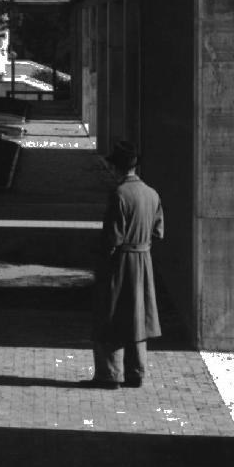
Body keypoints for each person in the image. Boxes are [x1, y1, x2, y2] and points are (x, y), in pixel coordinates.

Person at [90, 138, 164, 388]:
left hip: (121, 261)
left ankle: (109, 374)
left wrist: (100, 262)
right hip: (143, 261)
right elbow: (158, 231)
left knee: (111, 314)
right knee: (139, 315)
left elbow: (113, 236)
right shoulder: (152, 194)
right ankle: (136, 371)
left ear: (117, 168)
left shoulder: (119, 195)